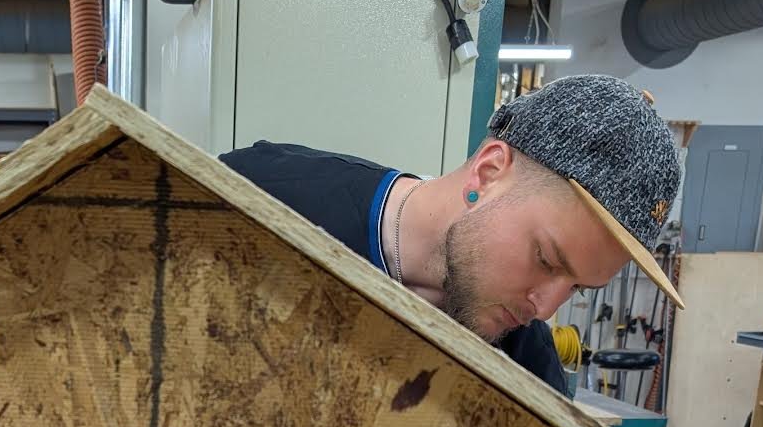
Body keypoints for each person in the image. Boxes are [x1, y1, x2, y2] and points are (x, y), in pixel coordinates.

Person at [220, 72, 685, 397]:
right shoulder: (258, 196)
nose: (544, 308)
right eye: (546, 259)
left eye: (579, 288)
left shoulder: (525, 368)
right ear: (489, 171)